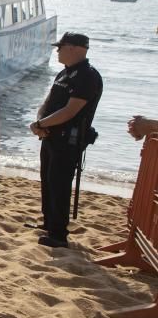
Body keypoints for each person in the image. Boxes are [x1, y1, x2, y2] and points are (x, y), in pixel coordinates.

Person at [28, 32, 103, 248]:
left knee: (59, 184)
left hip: (68, 140)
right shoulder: (64, 73)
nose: (57, 51)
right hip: (50, 135)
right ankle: (49, 222)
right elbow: (49, 101)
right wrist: (39, 121)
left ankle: (58, 234)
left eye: (61, 47)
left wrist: (42, 125)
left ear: (73, 48)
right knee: (47, 180)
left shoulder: (87, 76)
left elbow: (71, 111)